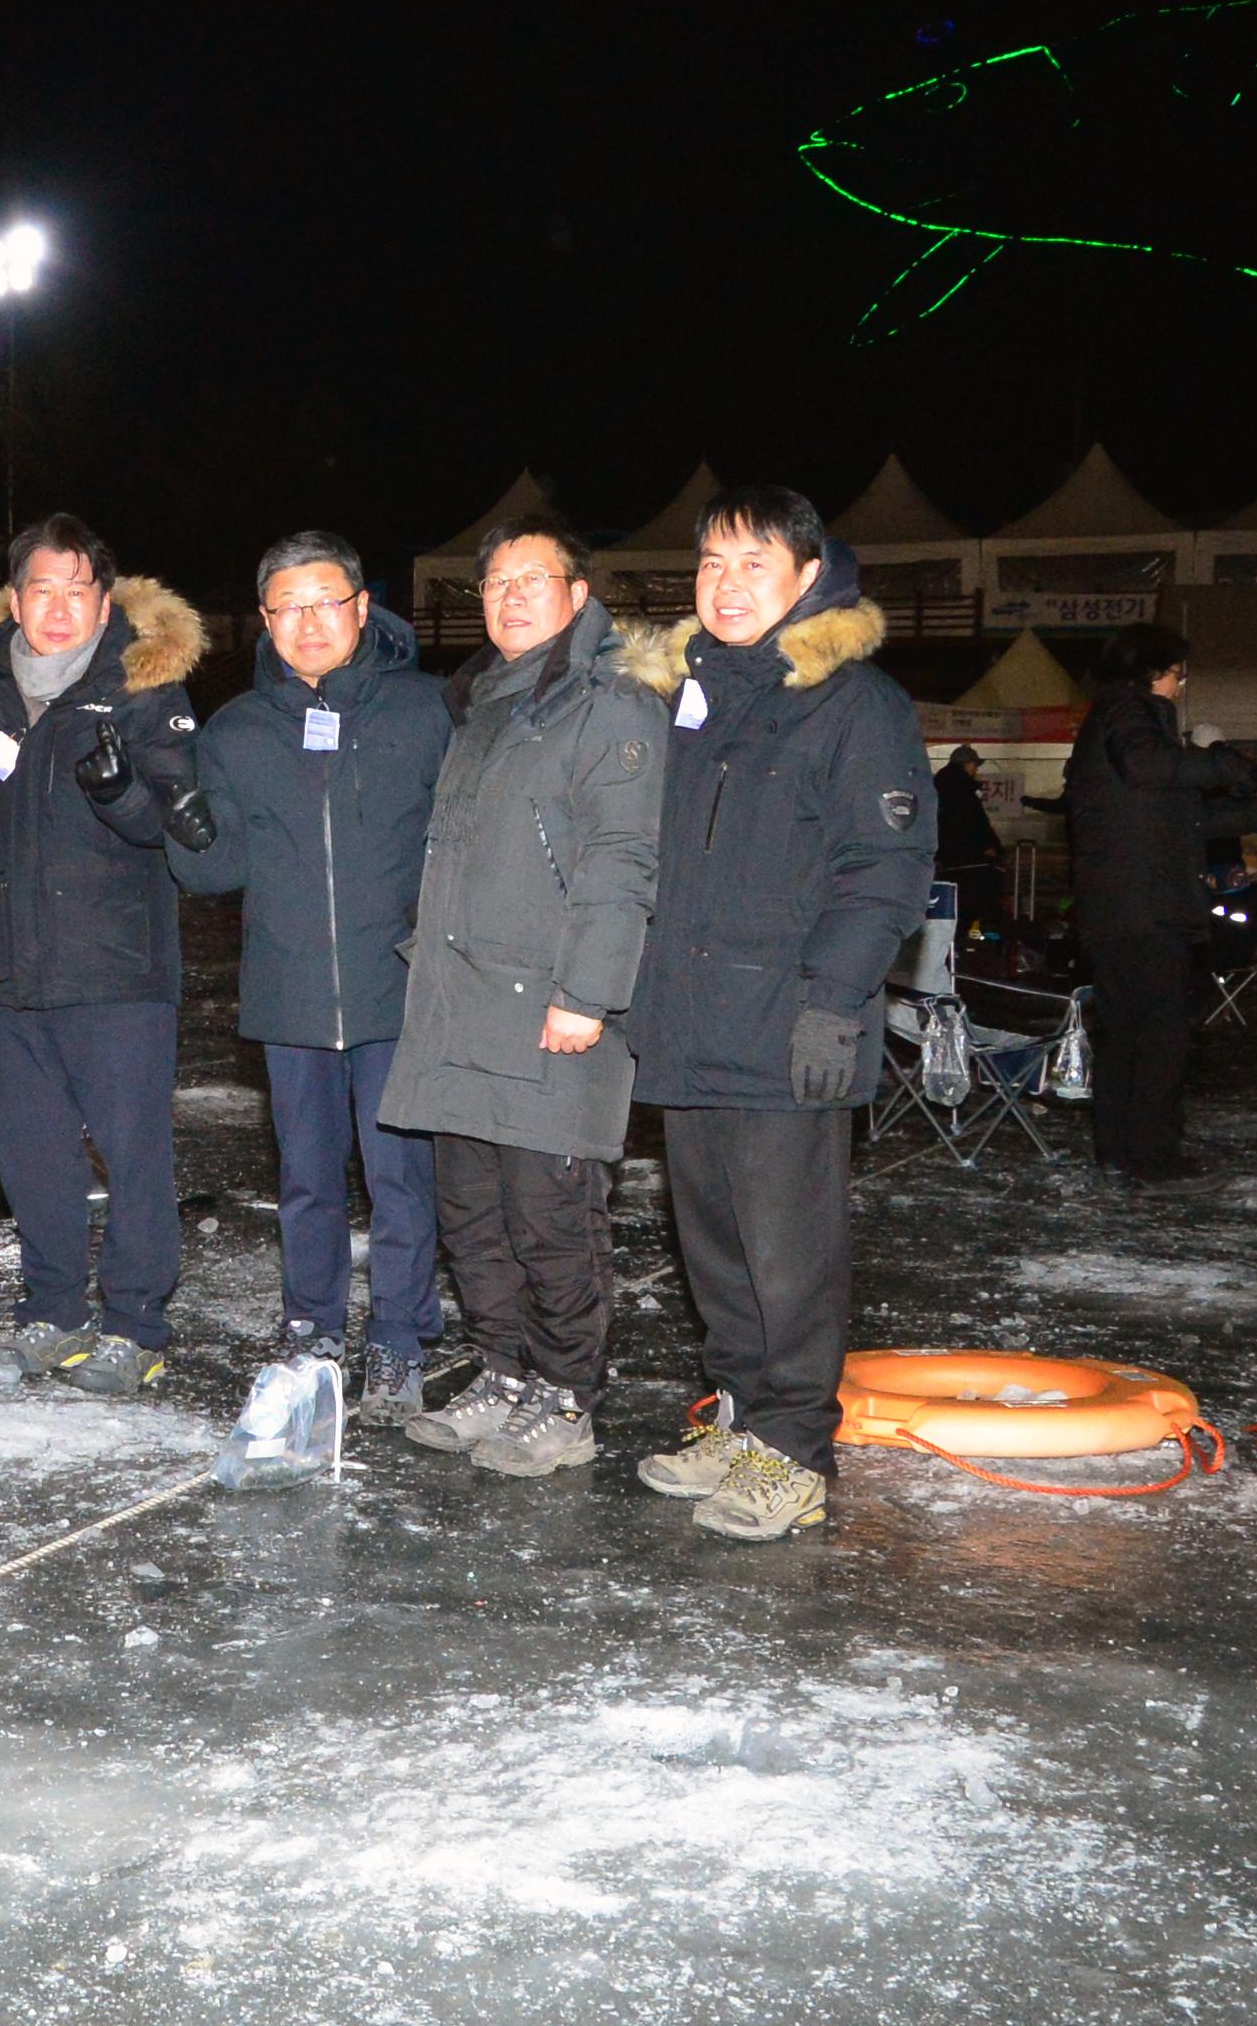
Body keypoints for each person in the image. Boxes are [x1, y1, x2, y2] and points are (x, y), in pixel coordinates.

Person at [622, 488, 934, 1542]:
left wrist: (831, 1005)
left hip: (786, 1025)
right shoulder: (689, 698)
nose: (725, 585)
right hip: (687, 1020)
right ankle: (740, 1415)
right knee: (710, 1244)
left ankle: (793, 1449)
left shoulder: (853, 703)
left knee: (786, 1254)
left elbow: (881, 870)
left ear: (808, 576)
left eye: (752, 564)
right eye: (709, 564)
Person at [379, 515, 664, 1480]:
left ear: (579, 595)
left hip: (548, 1006)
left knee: (551, 1218)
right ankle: (502, 1372)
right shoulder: (486, 704)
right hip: (460, 1003)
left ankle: (566, 1395)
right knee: (472, 1213)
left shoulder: (611, 706)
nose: (507, 598)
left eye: (530, 581)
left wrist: (588, 993)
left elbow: (622, 861)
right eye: (493, 584)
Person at [170, 532, 452, 1426]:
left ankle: (400, 1340)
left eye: (327, 601)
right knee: (307, 1178)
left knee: (401, 1175)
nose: (310, 622)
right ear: (265, 620)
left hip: (399, 987)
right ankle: (313, 1326)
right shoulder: (240, 730)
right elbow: (212, 875)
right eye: (289, 607)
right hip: (290, 994)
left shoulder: (426, 711)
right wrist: (176, 815)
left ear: (363, 608)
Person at [0, 513, 210, 1398]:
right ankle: (52, 1312)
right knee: (32, 1156)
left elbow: (181, 831)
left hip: (117, 971)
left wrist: (122, 793)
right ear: (15, 599)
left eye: (77, 591)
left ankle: (137, 1323)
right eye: (41, 589)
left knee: (134, 1152)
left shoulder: (141, 686)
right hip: (20, 976)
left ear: (104, 602)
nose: (58, 608)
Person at [1061, 622, 1257, 1185]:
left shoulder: (1114, 720)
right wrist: (1226, 765)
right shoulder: (1131, 715)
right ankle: (1152, 1155)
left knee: (1129, 1033)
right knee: (1162, 1036)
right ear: (1153, 673)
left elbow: (1180, 819)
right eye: (1178, 675)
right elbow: (1150, 768)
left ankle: (1119, 1147)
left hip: (1120, 909)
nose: (1181, 687)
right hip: (1146, 910)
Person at [932, 744, 1004, 933]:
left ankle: (949, 935)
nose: (976, 769)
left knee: (948, 895)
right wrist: (991, 845)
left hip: (944, 851)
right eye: (974, 764)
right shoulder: (964, 787)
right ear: (966, 764)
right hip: (967, 853)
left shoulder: (939, 783)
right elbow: (975, 820)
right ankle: (966, 936)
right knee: (971, 897)